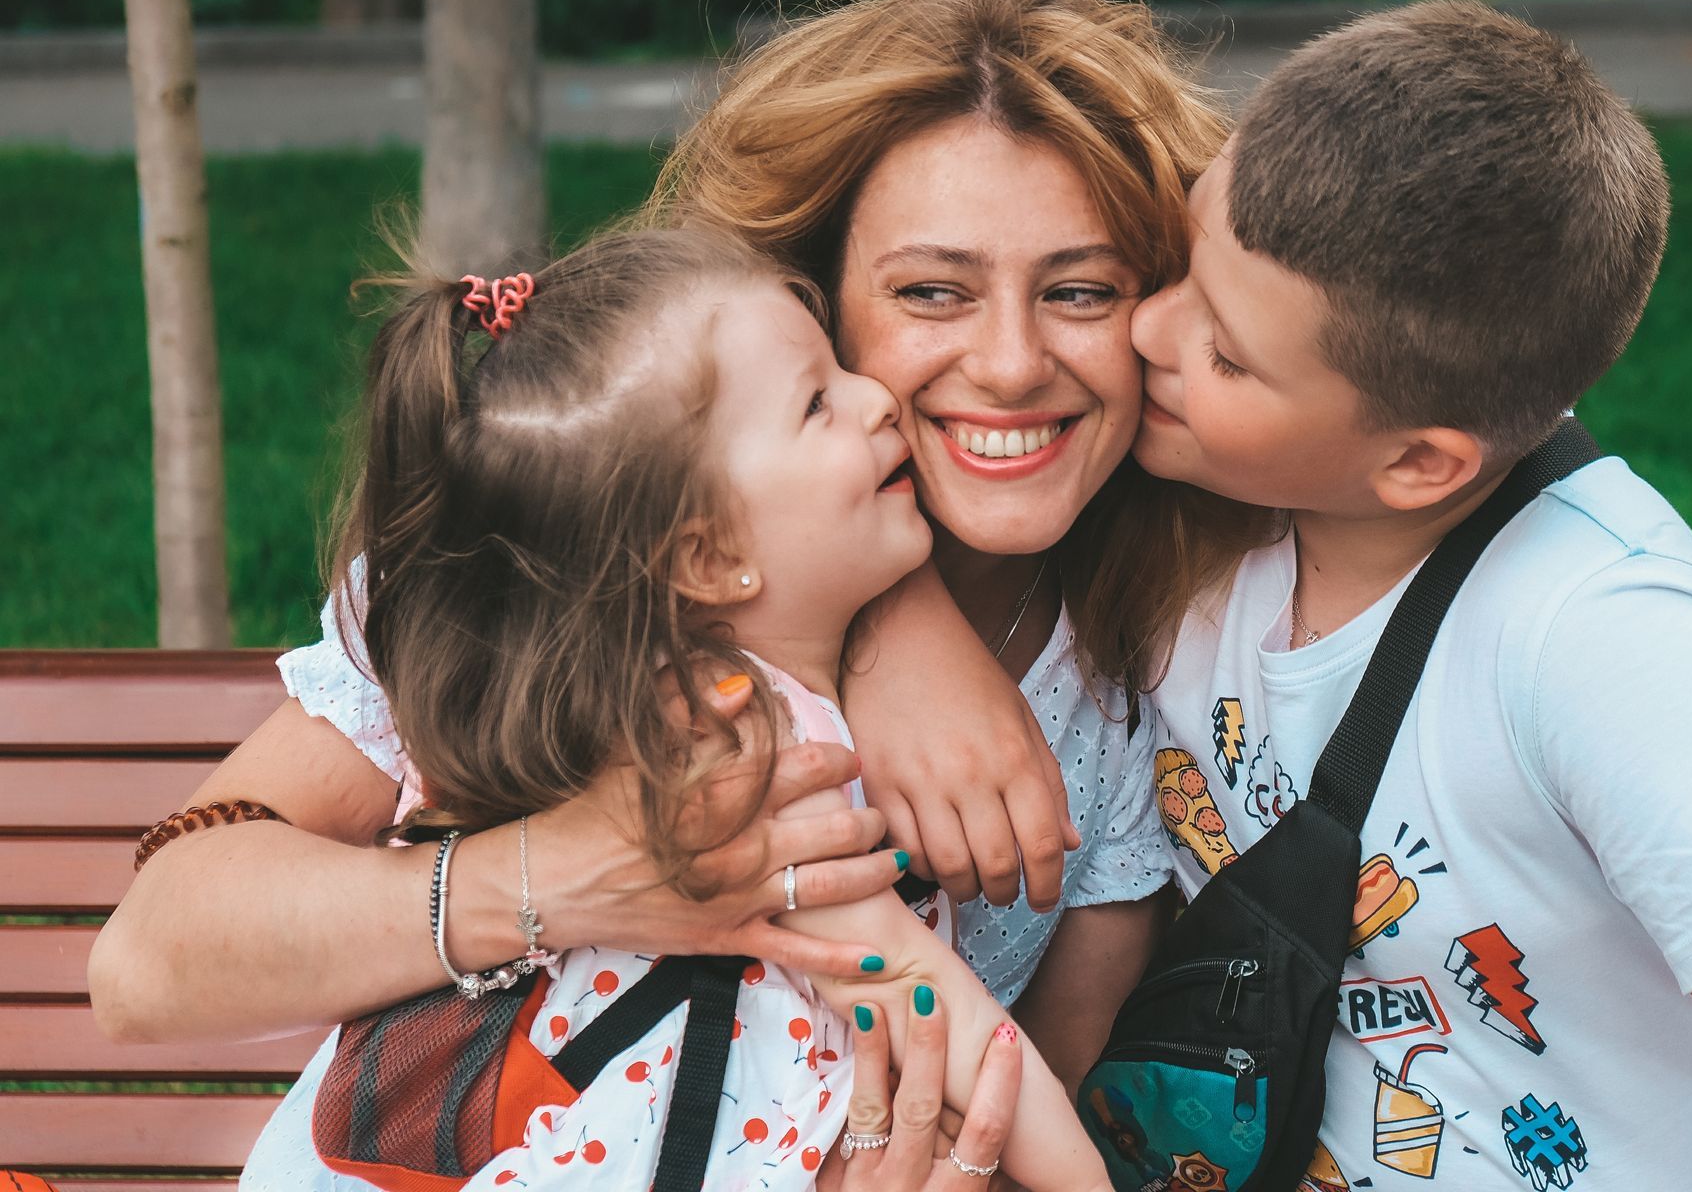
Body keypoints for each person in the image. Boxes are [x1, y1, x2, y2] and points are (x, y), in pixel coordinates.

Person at [89, 0, 1266, 1099]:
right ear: (804, 296)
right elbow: (147, 965)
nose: (1011, 365)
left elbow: (1039, 1099)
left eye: (1080, 291)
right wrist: (567, 877)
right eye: (930, 292)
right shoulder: (569, 565)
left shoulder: (1153, 660)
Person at [1118, 0, 1692, 1187]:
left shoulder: (1605, 641)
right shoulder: (1198, 528)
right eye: (1183, 265)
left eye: (1227, 355)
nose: (1144, 327)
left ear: (1419, 463)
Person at [239, 226, 1106, 1189]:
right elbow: (912, 987)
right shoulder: (737, 741)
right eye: (818, 403)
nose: (872, 398)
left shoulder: (620, 687)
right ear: (707, 561)